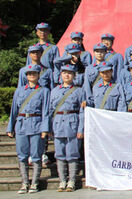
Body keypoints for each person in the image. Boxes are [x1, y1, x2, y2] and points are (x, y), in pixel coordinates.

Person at [6, 64, 50, 194]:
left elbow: (45, 111)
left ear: (38, 75)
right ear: (26, 76)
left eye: (34, 74)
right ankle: (24, 182)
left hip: (36, 124)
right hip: (21, 125)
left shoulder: (44, 91)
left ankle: (35, 183)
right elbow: (14, 110)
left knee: (36, 156)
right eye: (29, 74)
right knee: (22, 156)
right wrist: (10, 127)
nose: (31, 76)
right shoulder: (19, 91)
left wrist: (45, 128)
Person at [49, 64, 85, 192]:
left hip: (72, 124)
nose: (67, 75)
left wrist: (81, 129)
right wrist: (48, 129)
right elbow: (50, 111)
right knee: (59, 154)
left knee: (72, 154)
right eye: (64, 73)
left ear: (74, 76)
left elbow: (82, 111)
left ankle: (72, 180)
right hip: (58, 124)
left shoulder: (79, 91)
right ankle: (62, 180)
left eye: (70, 73)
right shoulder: (54, 91)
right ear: (61, 75)